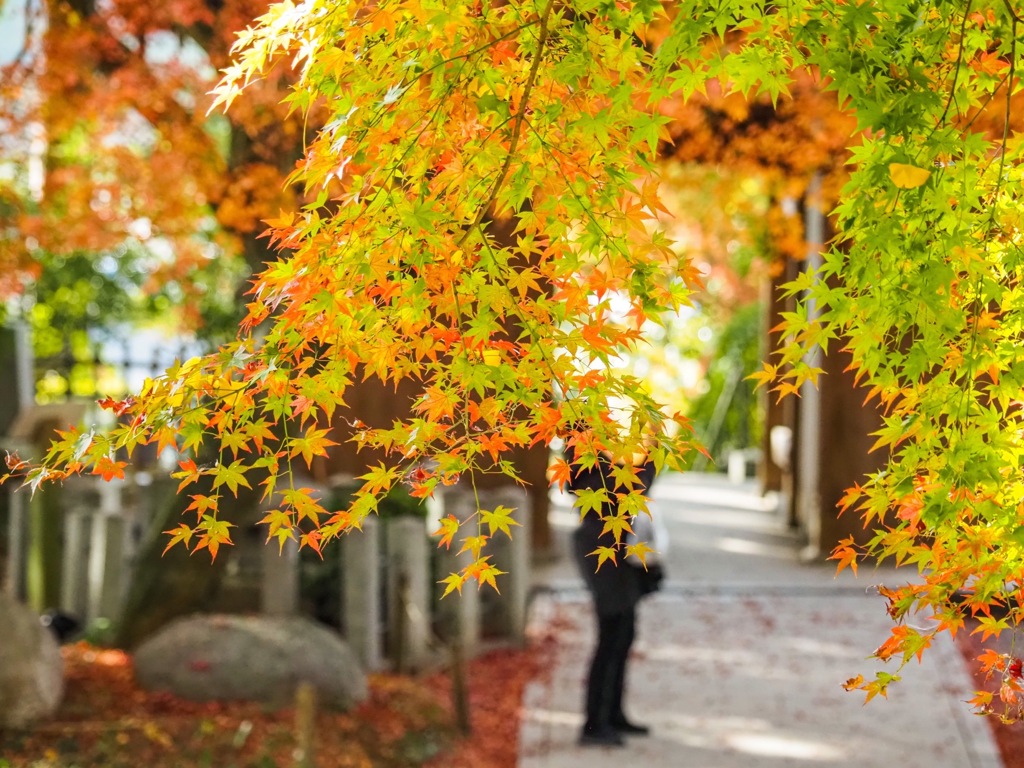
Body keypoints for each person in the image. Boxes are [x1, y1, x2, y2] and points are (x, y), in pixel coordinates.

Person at [567, 439, 663, 747]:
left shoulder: (627, 444)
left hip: (624, 545)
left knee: (625, 632)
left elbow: (642, 486)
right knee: (611, 632)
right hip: (601, 547)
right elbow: (628, 489)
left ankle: (614, 713)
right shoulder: (585, 449)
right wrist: (643, 460)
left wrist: (650, 452)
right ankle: (594, 723)